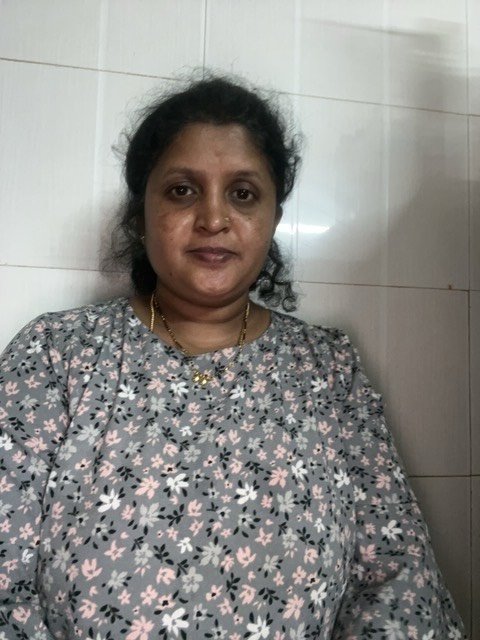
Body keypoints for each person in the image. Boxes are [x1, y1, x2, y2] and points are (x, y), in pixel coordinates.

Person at [0, 76, 466, 640]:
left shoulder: (327, 369)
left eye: (243, 193)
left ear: (273, 218)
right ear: (140, 213)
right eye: (182, 190)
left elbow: (397, 576)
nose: (213, 218)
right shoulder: (57, 355)